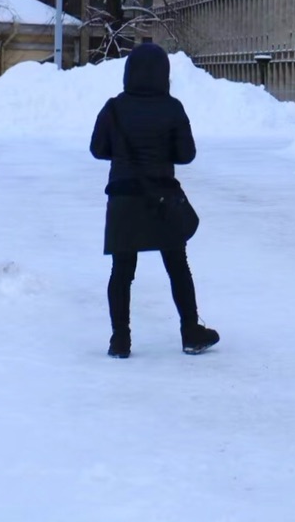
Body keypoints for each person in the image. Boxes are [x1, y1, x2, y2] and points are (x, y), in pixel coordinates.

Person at [90, 42, 220, 359]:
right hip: (161, 198)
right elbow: (186, 155)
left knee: (121, 271)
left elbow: (97, 149)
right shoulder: (172, 108)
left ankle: (120, 339)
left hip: (123, 197)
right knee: (177, 266)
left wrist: (122, 155)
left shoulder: (113, 108)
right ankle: (190, 331)